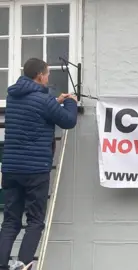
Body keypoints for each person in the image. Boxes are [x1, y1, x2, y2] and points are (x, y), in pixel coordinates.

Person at [0, 58, 78, 270]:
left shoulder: (13, 96)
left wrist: (55, 101)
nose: (48, 78)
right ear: (40, 76)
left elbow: (36, 108)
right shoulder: (44, 101)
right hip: (34, 170)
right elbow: (68, 121)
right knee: (35, 220)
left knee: (10, 221)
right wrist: (70, 101)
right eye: (47, 74)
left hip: (10, 168)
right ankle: (23, 264)